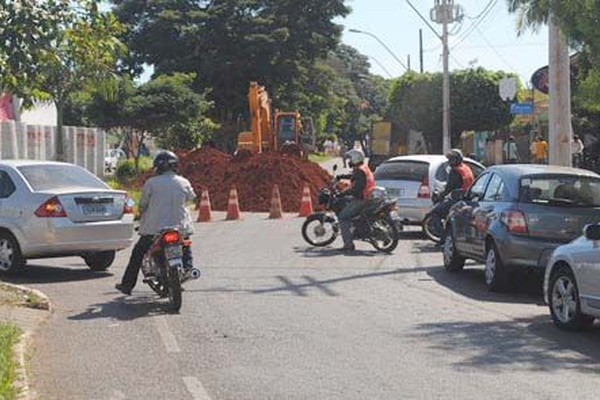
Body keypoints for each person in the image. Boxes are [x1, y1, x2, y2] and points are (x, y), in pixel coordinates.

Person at [116, 151, 197, 295]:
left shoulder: (151, 183)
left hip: (154, 229)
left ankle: (127, 285)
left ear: (158, 167)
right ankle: (189, 269)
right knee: (185, 245)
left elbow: (143, 205)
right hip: (180, 226)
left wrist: (140, 214)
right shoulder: (184, 181)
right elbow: (191, 198)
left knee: (138, 252)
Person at [337, 149, 375, 252]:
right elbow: (355, 178)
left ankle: (348, 245)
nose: (349, 161)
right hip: (369, 196)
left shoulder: (359, 170)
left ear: (355, 158)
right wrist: (341, 177)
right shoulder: (363, 167)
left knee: (343, 218)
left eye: (350, 158)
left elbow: (356, 188)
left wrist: (343, 193)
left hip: (362, 198)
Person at [435, 149, 475, 245]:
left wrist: (440, 196)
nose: (449, 162)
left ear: (457, 159)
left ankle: (443, 237)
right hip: (467, 198)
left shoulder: (455, 172)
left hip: (458, 200)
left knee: (435, 213)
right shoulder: (466, 168)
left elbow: (449, 188)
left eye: (451, 159)